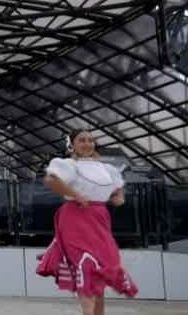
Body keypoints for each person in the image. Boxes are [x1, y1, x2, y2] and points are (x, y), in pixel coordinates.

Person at [36, 128, 139, 315]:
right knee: (87, 266)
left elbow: (118, 187)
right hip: (75, 218)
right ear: (72, 144)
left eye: (90, 140)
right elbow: (50, 180)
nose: (87, 144)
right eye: (82, 140)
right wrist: (75, 194)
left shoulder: (105, 168)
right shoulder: (69, 165)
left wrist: (119, 197)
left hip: (99, 218)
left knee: (106, 267)